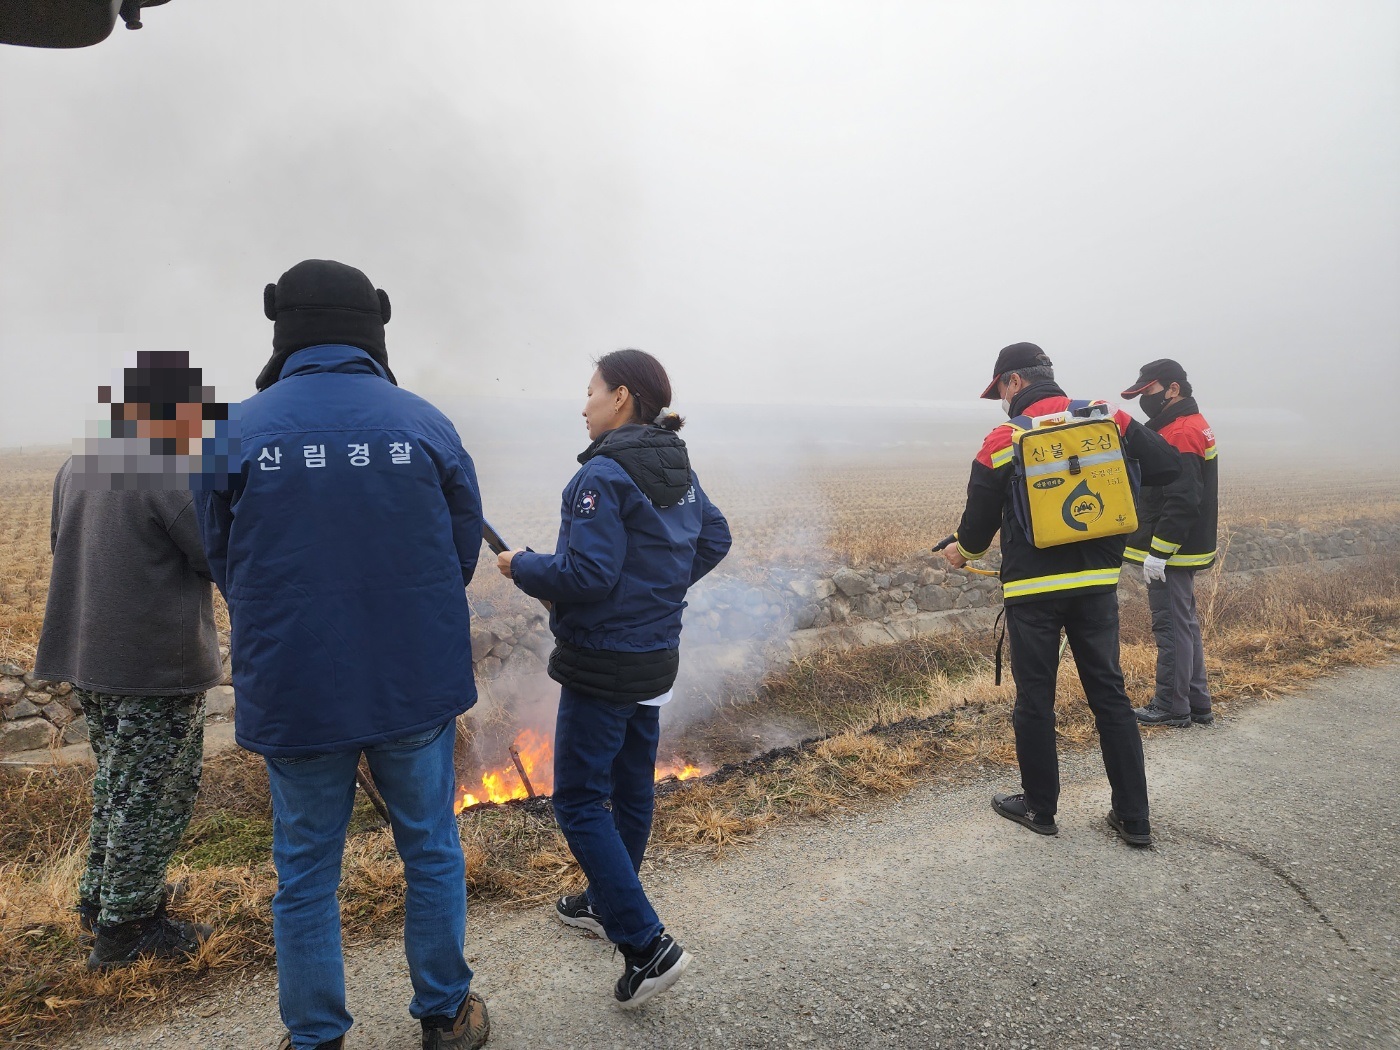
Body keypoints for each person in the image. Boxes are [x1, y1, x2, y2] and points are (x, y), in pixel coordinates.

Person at [195, 260, 489, 1050]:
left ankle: (316, 1037)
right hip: (412, 684)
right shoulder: (425, 424)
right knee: (429, 844)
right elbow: (460, 551)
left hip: (298, 689)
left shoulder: (236, 432)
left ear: (281, 324)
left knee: (305, 873)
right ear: (374, 325)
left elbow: (222, 557)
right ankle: (446, 1014)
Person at [495, 349, 731, 1008]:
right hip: (656, 656)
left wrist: (527, 566)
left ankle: (646, 943)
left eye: (591, 390)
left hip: (605, 662)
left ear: (621, 396)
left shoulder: (600, 474)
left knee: (575, 800)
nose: (583, 403)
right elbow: (714, 540)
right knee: (631, 787)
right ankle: (604, 900)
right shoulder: (674, 464)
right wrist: (655, 594)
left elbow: (588, 577)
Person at [942, 342, 1180, 848]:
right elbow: (1166, 467)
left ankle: (1040, 808)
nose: (1002, 402)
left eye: (1000, 391)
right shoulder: (1106, 418)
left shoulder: (1003, 438)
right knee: (1109, 695)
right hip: (1096, 584)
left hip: (1033, 590)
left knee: (1036, 699)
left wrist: (961, 550)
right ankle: (1134, 817)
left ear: (1013, 383)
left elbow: (979, 525)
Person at [34, 351, 225, 969]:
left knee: (118, 785)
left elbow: (63, 545)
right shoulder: (167, 468)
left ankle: (101, 900)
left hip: (90, 659)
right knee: (157, 793)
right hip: (151, 665)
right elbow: (214, 554)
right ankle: (127, 930)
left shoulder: (78, 462)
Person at [1120, 359, 1219, 728]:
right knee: (1185, 623)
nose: (1143, 400)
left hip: (1173, 550)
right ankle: (1196, 702)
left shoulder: (1179, 432)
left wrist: (1159, 552)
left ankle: (1170, 706)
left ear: (1172, 390)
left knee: (1171, 626)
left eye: (1148, 392)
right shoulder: (1193, 424)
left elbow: (1181, 498)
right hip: (1185, 547)